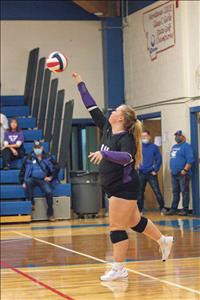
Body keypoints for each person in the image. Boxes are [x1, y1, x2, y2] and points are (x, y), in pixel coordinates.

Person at [72, 72, 173, 281]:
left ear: (121, 118)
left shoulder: (126, 138)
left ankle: (119, 269)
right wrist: (80, 84)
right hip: (115, 187)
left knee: (116, 227)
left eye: (116, 110)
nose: (112, 111)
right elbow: (91, 106)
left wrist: (105, 153)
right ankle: (163, 240)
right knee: (135, 222)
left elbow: (127, 157)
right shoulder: (108, 128)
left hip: (123, 188)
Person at [19, 141, 60, 221]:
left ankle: (50, 214)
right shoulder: (29, 158)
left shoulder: (48, 157)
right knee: (27, 182)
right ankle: (32, 203)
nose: (37, 149)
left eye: (39, 148)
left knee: (49, 192)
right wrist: (22, 182)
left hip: (43, 179)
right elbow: (22, 170)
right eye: (36, 148)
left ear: (42, 148)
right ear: (33, 149)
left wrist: (51, 177)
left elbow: (57, 167)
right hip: (33, 179)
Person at [165, 130, 194, 216]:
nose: (176, 137)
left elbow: (190, 159)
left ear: (183, 137)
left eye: (178, 135)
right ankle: (173, 209)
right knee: (175, 192)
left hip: (183, 174)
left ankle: (185, 210)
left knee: (184, 192)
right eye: (176, 136)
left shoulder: (187, 146)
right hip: (174, 174)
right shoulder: (174, 146)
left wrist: (185, 170)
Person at [138, 130, 166, 215]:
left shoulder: (154, 147)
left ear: (149, 137)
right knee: (140, 192)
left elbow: (159, 159)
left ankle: (162, 208)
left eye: (145, 136)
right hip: (141, 173)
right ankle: (140, 210)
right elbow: (135, 157)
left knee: (156, 191)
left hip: (151, 173)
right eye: (142, 137)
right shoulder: (139, 147)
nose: (144, 138)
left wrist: (155, 169)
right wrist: (137, 166)